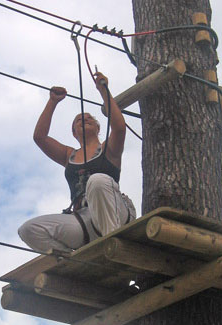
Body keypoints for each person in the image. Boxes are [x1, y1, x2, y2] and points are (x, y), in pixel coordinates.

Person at [18, 72, 136, 252]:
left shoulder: (108, 149)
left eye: (89, 118)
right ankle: (74, 260)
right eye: (79, 120)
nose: (84, 119)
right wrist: (52, 102)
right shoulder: (69, 155)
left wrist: (103, 90)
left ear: (98, 128)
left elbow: (119, 127)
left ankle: (113, 247)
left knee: (97, 181)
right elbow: (40, 137)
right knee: (28, 230)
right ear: (74, 132)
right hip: (84, 218)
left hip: (114, 212)